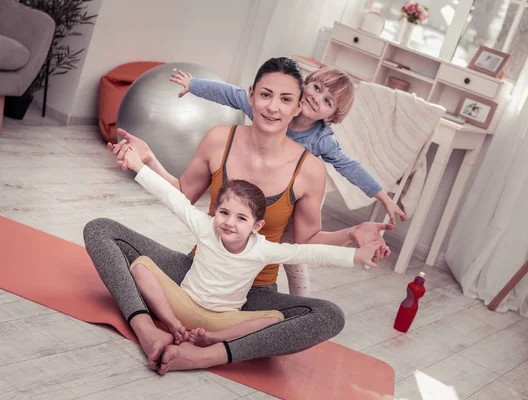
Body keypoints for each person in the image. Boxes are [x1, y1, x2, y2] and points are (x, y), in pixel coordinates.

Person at [84, 57, 393, 376]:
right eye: (266, 95)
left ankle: (207, 354)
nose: (273, 107)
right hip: (196, 272)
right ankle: (147, 331)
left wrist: (352, 234)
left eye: (285, 99)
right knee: (100, 230)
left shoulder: (310, 170)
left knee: (329, 316)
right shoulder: (220, 139)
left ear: (298, 106)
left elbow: (307, 242)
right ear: (250, 96)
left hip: (253, 292)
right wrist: (147, 160)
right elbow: (181, 194)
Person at [169, 66, 406, 296]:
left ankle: (297, 303)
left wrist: (382, 196)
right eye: (316, 88)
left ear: (332, 116)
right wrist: (194, 85)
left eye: (328, 101)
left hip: (291, 203)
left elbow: (349, 166)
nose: (317, 98)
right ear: (304, 86)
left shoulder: (321, 140)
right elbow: (230, 94)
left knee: (295, 260)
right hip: (252, 195)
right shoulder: (270, 108)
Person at [119, 145, 381, 349]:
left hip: (223, 322)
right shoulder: (206, 226)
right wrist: (137, 166)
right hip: (182, 304)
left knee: (274, 318)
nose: (229, 223)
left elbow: (307, 251)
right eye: (224, 212)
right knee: (140, 265)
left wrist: (357, 254)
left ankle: (211, 340)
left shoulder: (263, 249)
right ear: (216, 211)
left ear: (257, 226)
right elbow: (174, 199)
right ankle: (173, 326)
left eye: (241, 218)